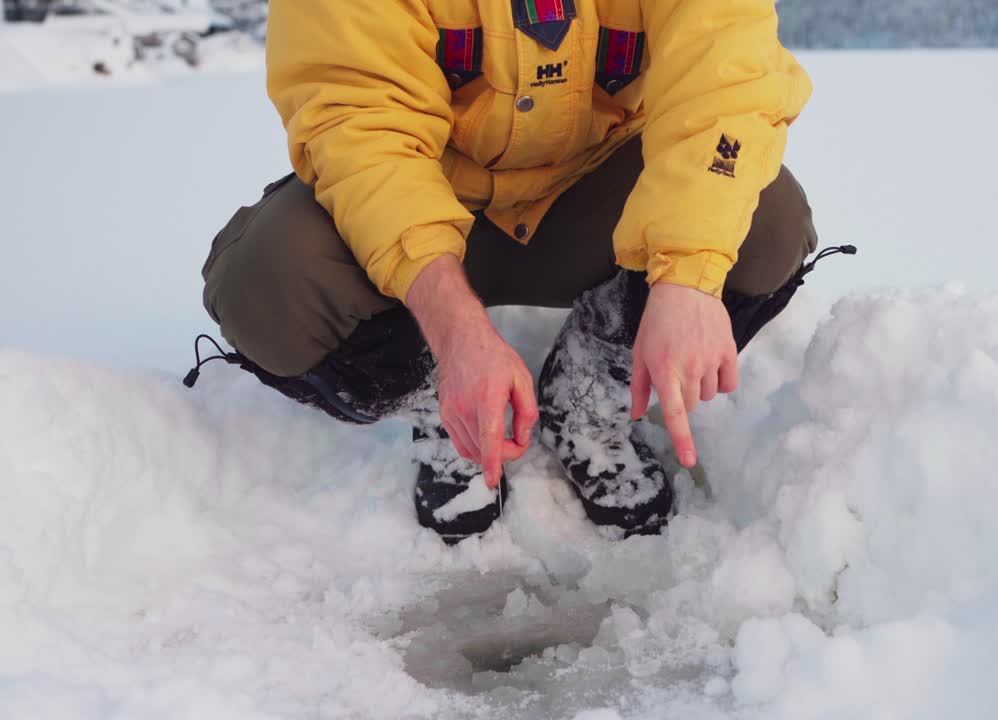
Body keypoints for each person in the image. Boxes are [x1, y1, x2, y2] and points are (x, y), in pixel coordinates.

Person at [194, 0, 844, 544]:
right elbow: (363, 132)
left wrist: (688, 275)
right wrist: (455, 337)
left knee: (765, 225)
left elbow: (725, 77)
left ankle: (588, 398)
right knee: (267, 282)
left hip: (601, 200)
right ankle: (445, 403)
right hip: (431, 203)